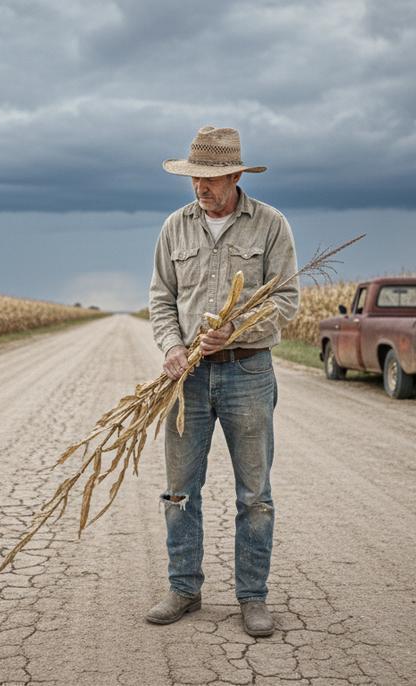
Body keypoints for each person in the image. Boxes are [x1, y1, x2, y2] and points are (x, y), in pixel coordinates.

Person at [145, 126, 299, 637]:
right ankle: (184, 589)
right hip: (186, 379)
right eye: (194, 178)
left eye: (210, 179)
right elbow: (161, 299)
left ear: (235, 175)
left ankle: (252, 598)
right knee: (178, 491)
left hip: (248, 372)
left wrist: (237, 328)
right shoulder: (174, 227)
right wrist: (171, 347)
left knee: (255, 494)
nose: (201, 188)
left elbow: (285, 302)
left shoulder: (271, 225)